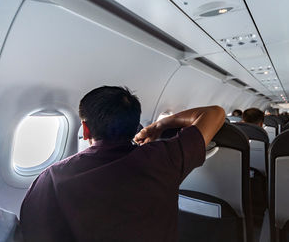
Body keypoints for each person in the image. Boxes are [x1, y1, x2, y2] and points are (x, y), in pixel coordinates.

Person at [20, 86, 225, 242]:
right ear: (135, 124)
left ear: (85, 129)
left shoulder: (50, 177)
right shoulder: (162, 159)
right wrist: (160, 125)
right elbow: (215, 113)